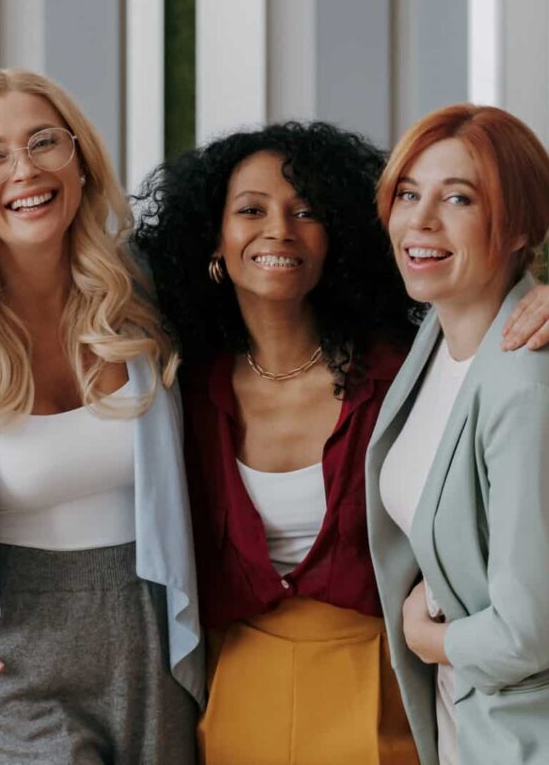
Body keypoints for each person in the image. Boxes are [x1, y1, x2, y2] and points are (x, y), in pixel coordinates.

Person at [0, 69, 203, 764]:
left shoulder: (148, 291)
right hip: (3, 652)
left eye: (44, 142)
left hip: (148, 632)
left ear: (80, 157)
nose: (25, 169)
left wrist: (497, 303)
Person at [134, 121, 421, 764]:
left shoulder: (402, 377)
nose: (279, 230)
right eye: (251, 210)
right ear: (214, 241)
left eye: (306, 211)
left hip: (383, 683)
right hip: (237, 689)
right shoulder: (184, 392)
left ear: (335, 238)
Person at [367, 104, 549, 765]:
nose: (420, 220)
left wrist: (426, 637)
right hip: (463, 728)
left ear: (520, 225)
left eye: (459, 199)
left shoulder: (524, 387)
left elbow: (528, 635)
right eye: (409, 194)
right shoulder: (436, 339)